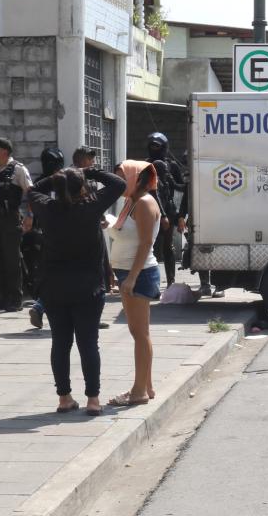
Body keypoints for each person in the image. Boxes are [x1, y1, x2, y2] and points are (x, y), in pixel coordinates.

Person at [28, 165, 126, 416]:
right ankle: (93, 400)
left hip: (54, 287)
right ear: (81, 186)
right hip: (88, 287)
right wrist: (89, 171)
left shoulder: (47, 208)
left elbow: (33, 189)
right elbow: (118, 184)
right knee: (88, 343)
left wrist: (57, 177)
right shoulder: (90, 205)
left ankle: (64, 398)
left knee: (60, 342)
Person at [107, 161, 162, 407]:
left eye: (122, 177)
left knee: (140, 333)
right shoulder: (131, 201)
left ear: (136, 178)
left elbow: (145, 243)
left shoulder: (144, 203)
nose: (118, 182)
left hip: (138, 273)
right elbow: (126, 233)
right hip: (126, 271)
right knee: (137, 332)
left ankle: (138, 391)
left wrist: (131, 278)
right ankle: (146, 386)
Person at [0, 137, 33, 313]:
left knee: (12, 260)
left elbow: (30, 193)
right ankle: (3, 298)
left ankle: (16, 299)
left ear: (4, 152)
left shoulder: (18, 169)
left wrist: (30, 216)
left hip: (10, 219)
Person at [28, 147, 66, 329]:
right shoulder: (65, 181)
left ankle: (40, 306)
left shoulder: (40, 183)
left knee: (52, 274)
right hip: (61, 235)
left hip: (45, 234)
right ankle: (42, 306)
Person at [146, 133, 186, 288]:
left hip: (168, 212)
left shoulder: (171, 166)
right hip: (149, 212)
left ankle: (171, 282)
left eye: (158, 146)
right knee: (150, 247)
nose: (154, 149)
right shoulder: (145, 165)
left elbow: (181, 187)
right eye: (152, 146)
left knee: (167, 247)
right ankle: (151, 283)